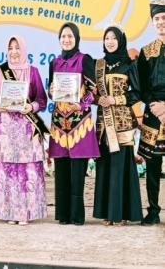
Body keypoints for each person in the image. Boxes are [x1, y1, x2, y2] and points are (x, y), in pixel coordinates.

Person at [0, 35, 48, 225]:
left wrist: (32, 107)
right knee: (7, 171)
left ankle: (26, 213)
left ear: (23, 50)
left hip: (26, 129)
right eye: (10, 48)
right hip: (5, 130)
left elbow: (42, 100)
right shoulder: (0, 71)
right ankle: (8, 213)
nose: (14, 52)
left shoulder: (33, 72)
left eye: (17, 48)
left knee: (26, 171)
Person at [48, 22, 99, 225]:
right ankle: (63, 215)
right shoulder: (54, 62)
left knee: (78, 170)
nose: (66, 40)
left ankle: (77, 216)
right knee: (61, 170)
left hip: (79, 122)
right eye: (63, 36)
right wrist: (52, 91)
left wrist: (81, 105)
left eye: (70, 36)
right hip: (60, 123)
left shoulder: (85, 59)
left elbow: (93, 91)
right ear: (59, 39)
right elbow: (51, 91)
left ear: (76, 38)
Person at [93, 26, 142, 226]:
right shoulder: (99, 65)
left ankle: (121, 213)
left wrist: (115, 100)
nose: (110, 41)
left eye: (114, 38)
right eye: (107, 38)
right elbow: (92, 93)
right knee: (104, 167)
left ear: (121, 41)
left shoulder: (129, 64)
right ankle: (107, 212)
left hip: (122, 124)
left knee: (121, 168)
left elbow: (137, 93)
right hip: (103, 124)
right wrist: (98, 99)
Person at [137, 0, 165, 226]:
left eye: (164, 18)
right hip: (153, 114)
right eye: (157, 19)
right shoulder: (147, 52)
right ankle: (153, 211)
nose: (161, 22)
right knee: (152, 165)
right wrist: (155, 105)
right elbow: (140, 86)